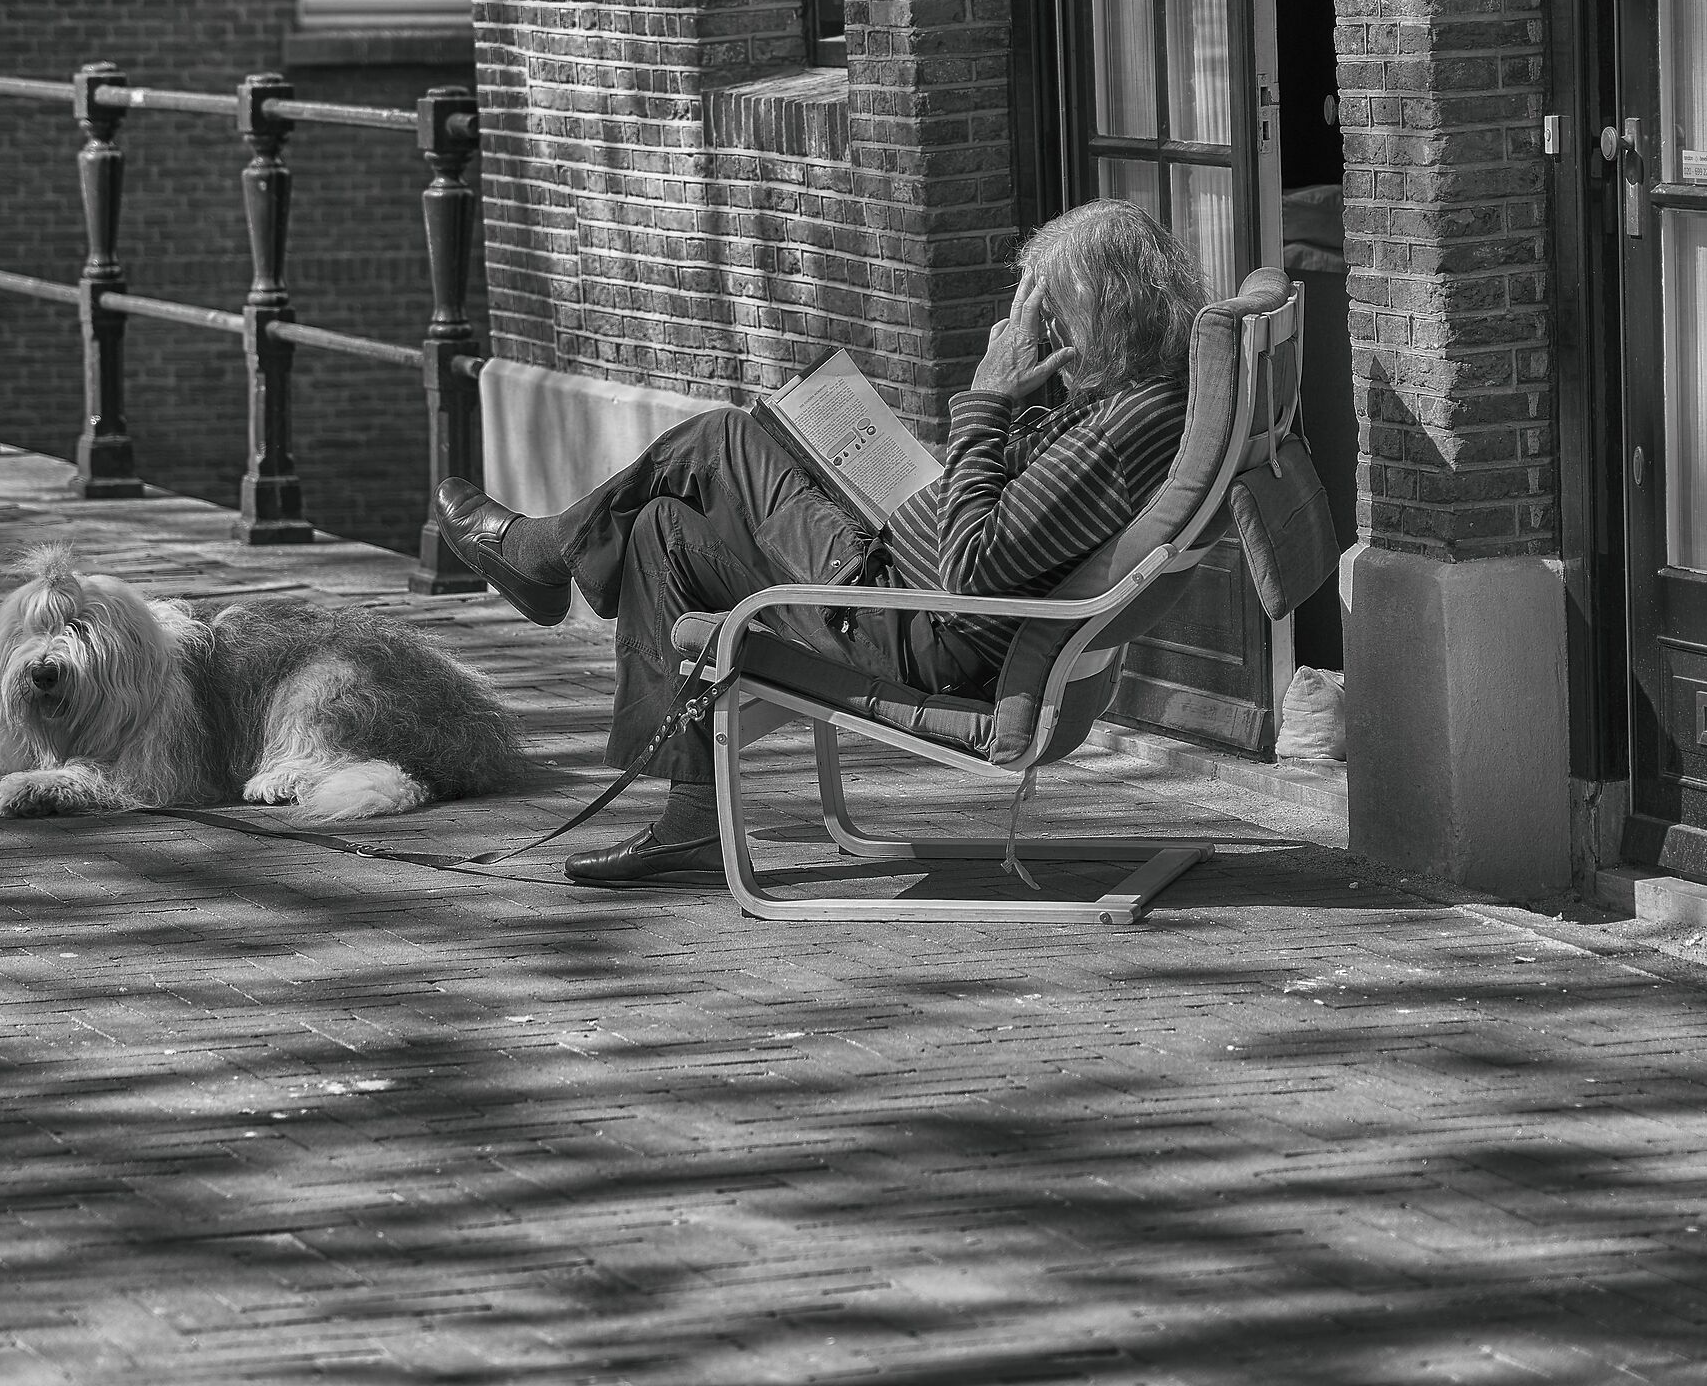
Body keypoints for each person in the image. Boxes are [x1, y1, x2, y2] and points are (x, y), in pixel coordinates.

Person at [434, 198, 1208, 886]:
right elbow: (1005, 523)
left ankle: (543, 556)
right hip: (902, 585)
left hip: (910, 623)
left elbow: (971, 570)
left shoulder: (1127, 428)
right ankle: (689, 814)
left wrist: (988, 400)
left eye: (1049, 315)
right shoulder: (1142, 401)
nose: (1037, 334)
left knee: (716, 441)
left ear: (1098, 313)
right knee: (664, 530)